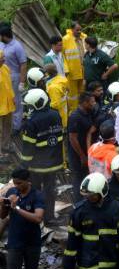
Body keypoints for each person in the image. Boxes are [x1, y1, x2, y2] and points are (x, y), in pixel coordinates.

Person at [1, 168, 44, 269]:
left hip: (32, 244)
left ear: (27, 181)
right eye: (14, 183)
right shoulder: (11, 192)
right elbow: (2, 215)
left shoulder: (37, 195)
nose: (16, 186)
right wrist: (3, 205)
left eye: (19, 183)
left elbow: (38, 218)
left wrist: (17, 208)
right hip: (14, 244)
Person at [21, 88, 64, 222]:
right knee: (50, 191)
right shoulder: (56, 115)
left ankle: (35, 215)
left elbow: (28, 148)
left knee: (35, 191)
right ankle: (49, 217)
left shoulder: (31, 122)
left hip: (37, 167)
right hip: (54, 163)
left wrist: (24, 165)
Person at [67, 92, 96, 200]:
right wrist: (82, 156)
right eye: (91, 102)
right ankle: (78, 202)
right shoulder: (75, 117)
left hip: (86, 152)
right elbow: (72, 139)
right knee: (78, 178)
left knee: (86, 176)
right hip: (77, 155)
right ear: (84, 103)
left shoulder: (88, 112)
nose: (94, 104)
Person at [0, 25, 27, 132]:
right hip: (2, 76)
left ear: (4, 36)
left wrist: (22, 82)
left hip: (14, 76)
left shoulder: (17, 46)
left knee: (16, 101)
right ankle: (6, 125)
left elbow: (23, 64)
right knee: (4, 100)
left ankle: (16, 126)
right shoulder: (2, 44)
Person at [62, 21, 87, 113]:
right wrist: (66, 68)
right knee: (72, 94)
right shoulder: (65, 39)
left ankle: (82, 110)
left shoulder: (84, 37)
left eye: (80, 30)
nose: (79, 31)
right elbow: (62, 55)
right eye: (77, 30)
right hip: (72, 71)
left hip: (84, 71)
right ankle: (73, 112)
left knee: (82, 92)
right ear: (72, 30)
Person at [0, 50, 15, 159]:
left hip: (8, 104)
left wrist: (13, 97)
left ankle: (5, 146)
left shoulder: (5, 68)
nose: (4, 59)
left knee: (7, 127)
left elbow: (9, 85)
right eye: (2, 58)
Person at [45, 63, 70, 128]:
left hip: (58, 113)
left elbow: (55, 105)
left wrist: (46, 107)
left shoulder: (53, 87)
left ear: (48, 73)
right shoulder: (63, 78)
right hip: (64, 107)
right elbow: (68, 90)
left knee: (60, 125)